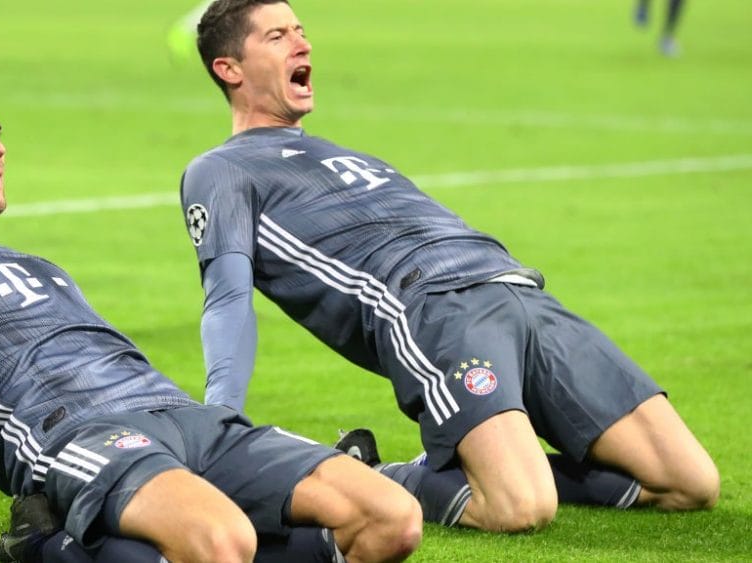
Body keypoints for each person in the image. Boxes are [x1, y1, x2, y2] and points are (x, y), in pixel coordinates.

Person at [0, 73, 423, 563]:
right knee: (221, 539)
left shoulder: (40, 265)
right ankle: (46, 548)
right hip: (79, 437)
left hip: (185, 419)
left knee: (392, 519)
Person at [180, 0, 720, 532]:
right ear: (228, 69)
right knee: (518, 509)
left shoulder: (349, 155)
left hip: (517, 289)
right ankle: (362, 472)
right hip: (434, 308)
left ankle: (481, 465)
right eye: (276, 37)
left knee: (690, 483)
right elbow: (227, 300)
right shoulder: (220, 170)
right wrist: (222, 428)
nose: (303, 42)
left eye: (299, 29)